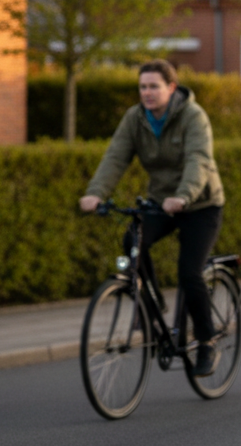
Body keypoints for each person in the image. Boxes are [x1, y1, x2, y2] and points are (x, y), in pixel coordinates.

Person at [79, 60, 225, 377]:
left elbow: (198, 160)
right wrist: (96, 192)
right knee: (133, 240)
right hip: (162, 202)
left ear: (171, 88)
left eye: (154, 86)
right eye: (142, 87)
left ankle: (206, 341)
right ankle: (154, 304)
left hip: (200, 205)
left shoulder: (193, 116)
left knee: (189, 273)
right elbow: (115, 156)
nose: (147, 93)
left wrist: (184, 196)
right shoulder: (135, 118)